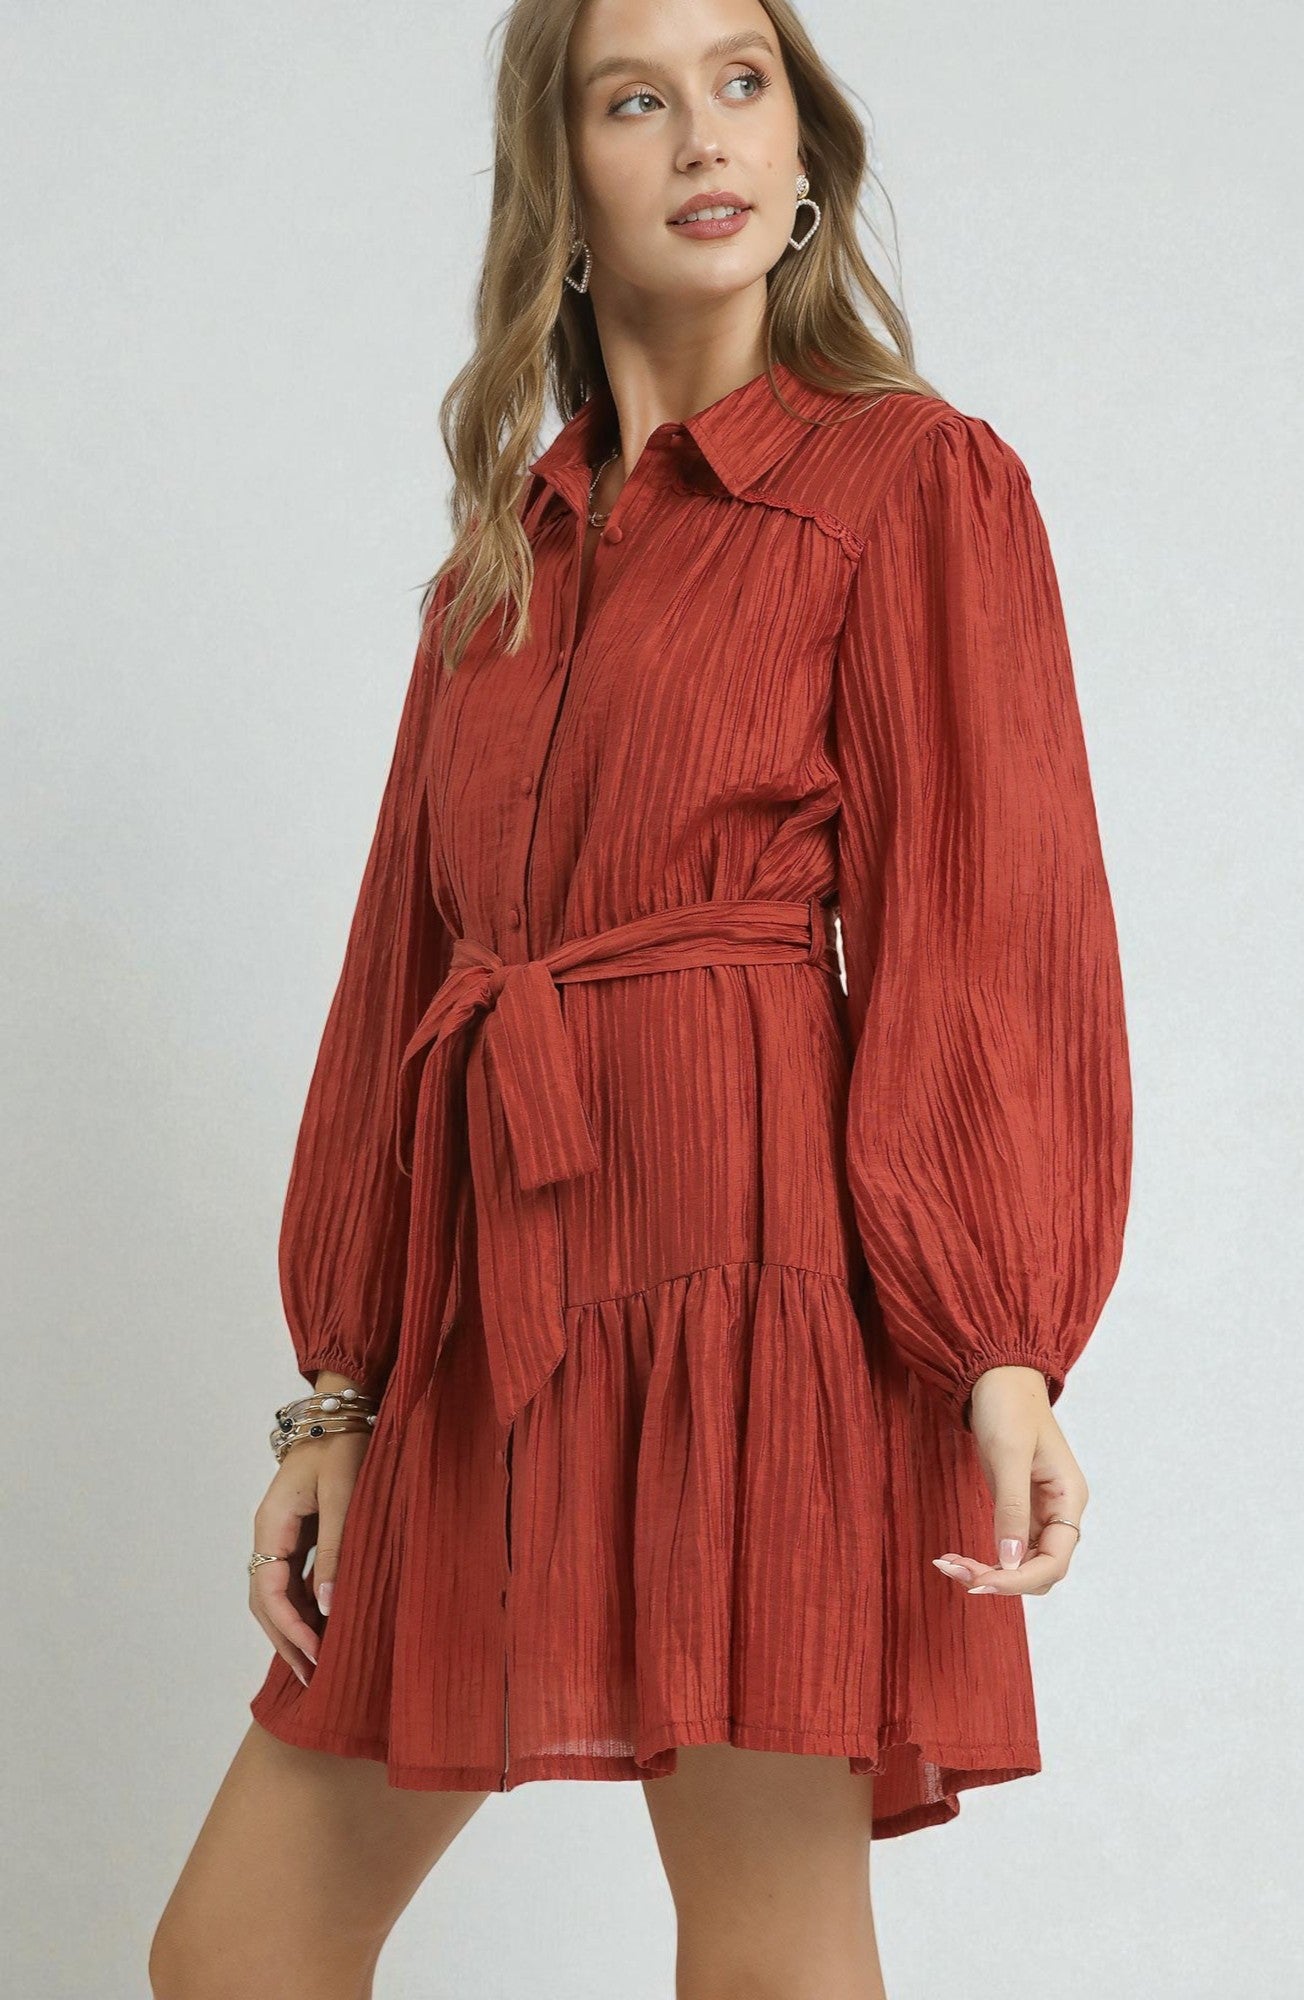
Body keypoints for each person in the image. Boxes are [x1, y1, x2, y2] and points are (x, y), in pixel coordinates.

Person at [150, 0, 1133, 1993]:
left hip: (758, 1302)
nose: (702, 130)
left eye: (741, 81)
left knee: (766, 1951)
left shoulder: (905, 485)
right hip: (484, 1314)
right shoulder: (490, 577)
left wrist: (998, 1339)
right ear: (561, 181)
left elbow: (987, 924)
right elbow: (395, 980)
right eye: (635, 95)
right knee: (235, 1952)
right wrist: (340, 1385)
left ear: (796, 152)